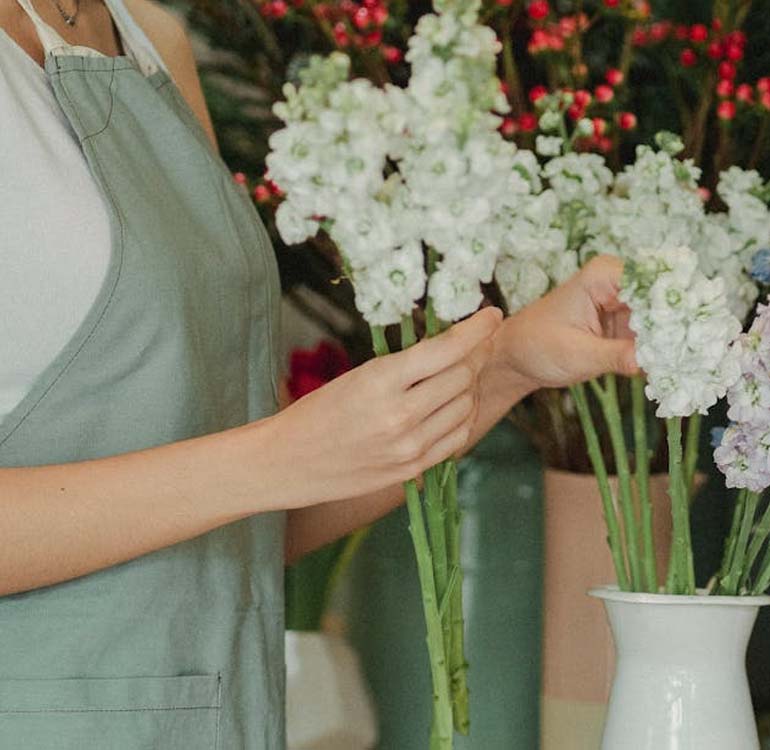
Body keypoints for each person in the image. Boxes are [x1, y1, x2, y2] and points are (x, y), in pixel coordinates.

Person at [0, 1, 638, 748]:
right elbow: (262, 468)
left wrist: (506, 365)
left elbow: (251, 522)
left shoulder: (150, 41)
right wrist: (275, 457)